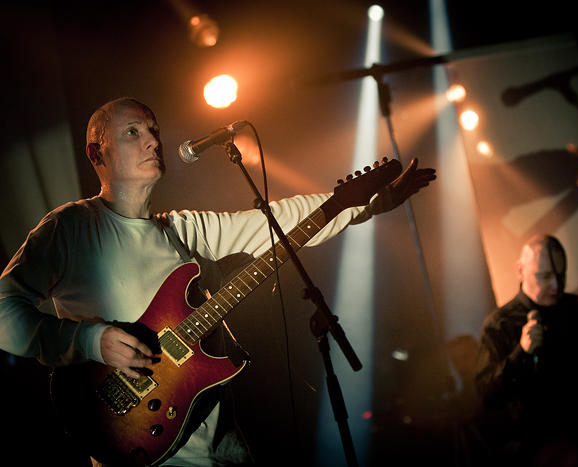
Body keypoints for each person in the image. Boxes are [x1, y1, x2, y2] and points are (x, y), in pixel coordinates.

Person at [0, 97, 436, 466]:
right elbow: (4, 312)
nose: (153, 140)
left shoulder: (183, 228)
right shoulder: (72, 227)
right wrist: (91, 341)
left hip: (221, 447)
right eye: (133, 132)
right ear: (97, 154)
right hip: (135, 446)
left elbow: (276, 223)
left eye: (153, 129)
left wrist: (366, 205)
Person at [473, 235, 578, 467]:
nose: (557, 285)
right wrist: (521, 353)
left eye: (561, 274)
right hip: (538, 449)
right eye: (545, 276)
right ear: (520, 271)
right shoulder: (500, 324)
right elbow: (486, 394)